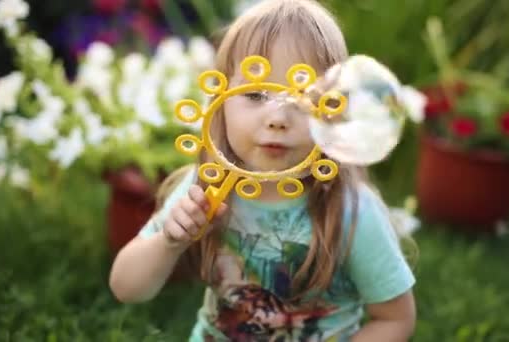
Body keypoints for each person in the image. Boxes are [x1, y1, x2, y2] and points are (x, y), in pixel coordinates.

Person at [109, 0, 416, 340]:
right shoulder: (208, 188)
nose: (277, 118)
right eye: (254, 94)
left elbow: (394, 319)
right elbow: (126, 288)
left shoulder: (351, 210)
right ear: (220, 101)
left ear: (332, 111)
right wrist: (168, 242)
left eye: (300, 98)